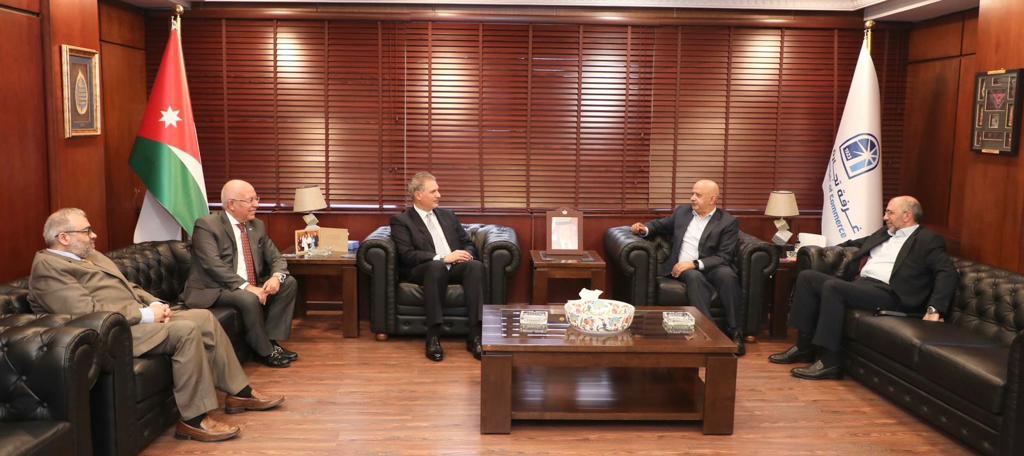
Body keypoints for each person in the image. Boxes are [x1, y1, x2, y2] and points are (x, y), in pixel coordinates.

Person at [28, 208, 284, 442]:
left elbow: (129, 286)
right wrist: (145, 315)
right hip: (110, 334)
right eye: (86, 231)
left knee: (203, 318)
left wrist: (156, 303)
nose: (93, 235)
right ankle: (194, 420)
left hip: (134, 321)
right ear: (63, 237)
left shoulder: (90, 256)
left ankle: (240, 393)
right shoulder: (48, 268)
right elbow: (86, 313)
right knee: (185, 330)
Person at [768, 196, 957, 380]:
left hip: (891, 293)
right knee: (807, 277)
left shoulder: (927, 240)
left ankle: (829, 362)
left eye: (890, 213)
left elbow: (947, 272)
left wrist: (935, 309)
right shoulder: (885, 233)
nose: (885, 217)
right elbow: (856, 244)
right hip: (864, 286)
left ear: (907, 216)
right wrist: (826, 250)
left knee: (833, 287)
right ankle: (804, 347)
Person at [183, 179, 299, 368]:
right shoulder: (207, 225)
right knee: (247, 297)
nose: (256, 204)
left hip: (248, 284)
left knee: (289, 282)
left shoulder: (257, 226)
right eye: (250, 200)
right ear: (231, 204)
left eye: (256, 198)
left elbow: (276, 258)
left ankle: (271, 341)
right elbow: (213, 265)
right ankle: (264, 352)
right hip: (214, 288)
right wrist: (247, 287)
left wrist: (276, 277)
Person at [630, 179, 746, 355]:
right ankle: (711, 334)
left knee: (728, 276)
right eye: (692, 193)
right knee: (694, 276)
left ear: (712, 199)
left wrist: (694, 264)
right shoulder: (683, 212)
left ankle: (736, 332)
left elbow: (724, 256)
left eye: (698, 195)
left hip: (712, 265)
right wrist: (643, 229)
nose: (692, 198)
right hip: (684, 268)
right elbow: (660, 225)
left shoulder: (727, 222)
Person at [390, 172, 484, 362]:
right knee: (437, 267)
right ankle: (433, 337)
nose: (439, 195)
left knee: (475, 267)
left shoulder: (447, 215)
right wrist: (443, 258)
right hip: (424, 268)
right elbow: (407, 255)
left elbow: (467, 242)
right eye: (433, 191)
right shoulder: (402, 221)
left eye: (438, 190)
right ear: (419, 195)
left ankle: (475, 336)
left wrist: (465, 254)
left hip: (454, 265)